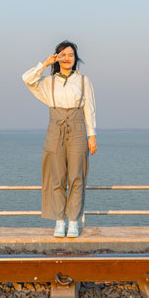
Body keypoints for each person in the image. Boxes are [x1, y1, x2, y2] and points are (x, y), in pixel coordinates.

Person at [22, 41, 97, 237]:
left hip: (78, 128)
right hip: (55, 128)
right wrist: (45, 63)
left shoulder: (83, 81)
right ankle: (59, 221)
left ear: (76, 58)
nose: (67, 58)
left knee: (76, 177)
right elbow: (27, 79)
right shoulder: (49, 82)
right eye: (62, 54)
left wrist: (92, 136)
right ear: (57, 57)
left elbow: (89, 109)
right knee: (56, 177)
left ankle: (73, 221)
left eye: (71, 54)